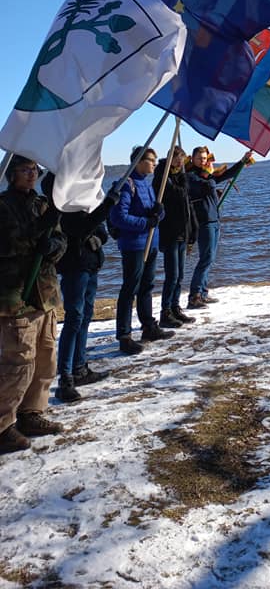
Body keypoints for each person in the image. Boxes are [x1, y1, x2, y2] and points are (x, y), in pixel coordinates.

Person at [0, 155, 67, 454]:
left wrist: (54, 246)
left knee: (45, 359)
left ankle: (31, 413)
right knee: (19, 362)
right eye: (25, 170)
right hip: (17, 296)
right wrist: (39, 233)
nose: (31, 174)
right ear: (11, 173)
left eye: (34, 170)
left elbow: (60, 238)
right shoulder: (3, 206)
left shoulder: (42, 204)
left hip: (45, 293)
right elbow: (8, 244)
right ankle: (3, 424)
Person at [41, 172, 120, 404]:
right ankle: (65, 378)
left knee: (85, 316)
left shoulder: (81, 200)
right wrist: (107, 206)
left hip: (90, 264)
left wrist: (98, 237)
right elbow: (80, 228)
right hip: (74, 266)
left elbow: (100, 230)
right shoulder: (59, 203)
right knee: (74, 318)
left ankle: (79, 368)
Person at [110, 147, 172, 355]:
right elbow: (119, 217)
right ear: (139, 161)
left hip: (151, 242)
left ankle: (148, 327)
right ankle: (124, 336)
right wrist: (146, 222)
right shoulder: (126, 185)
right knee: (130, 289)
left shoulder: (146, 183)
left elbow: (154, 213)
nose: (155, 163)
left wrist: (159, 213)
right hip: (134, 245)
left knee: (147, 286)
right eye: (151, 160)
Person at [186, 146, 251, 309]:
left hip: (214, 220)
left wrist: (242, 161)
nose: (203, 161)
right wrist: (210, 173)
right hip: (204, 222)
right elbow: (208, 185)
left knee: (210, 258)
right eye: (200, 158)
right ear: (193, 159)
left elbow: (226, 175)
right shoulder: (190, 176)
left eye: (205, 158)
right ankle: (194, 296)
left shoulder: (207, 175)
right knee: (205, 258)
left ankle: (203, 292)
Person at [152, 145, 198, 328]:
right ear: (170, 158)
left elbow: (187, 203)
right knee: (172, 274)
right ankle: (165, 312)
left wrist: (192, 230)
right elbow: (172, 195)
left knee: (180, 275)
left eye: (181, 159)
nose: (180, 162)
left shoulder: (181, 177)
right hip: (170, 231)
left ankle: (175, 307)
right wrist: (177, 187)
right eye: (177, 158)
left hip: (182, 231)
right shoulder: (162, 177)